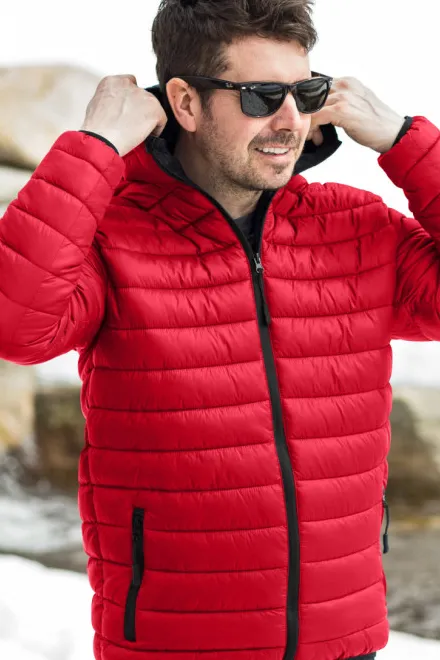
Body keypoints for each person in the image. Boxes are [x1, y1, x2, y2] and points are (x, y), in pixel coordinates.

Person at [0, 0, 435, 658]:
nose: (291, 121)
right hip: (177, 643)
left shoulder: (357, 228)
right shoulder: (112, 235)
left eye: (305, 94)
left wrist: (406, 140)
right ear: (185, 102)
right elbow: (16, 326)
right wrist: (94, 147)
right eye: (261, 97)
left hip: (343, 641)